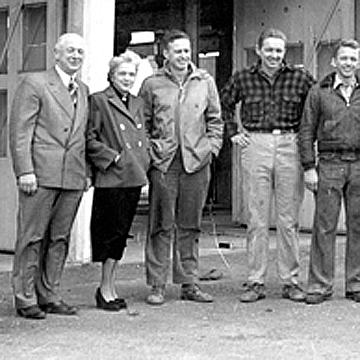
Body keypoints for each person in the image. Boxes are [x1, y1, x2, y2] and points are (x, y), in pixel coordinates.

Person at [221, 28, 315, 303]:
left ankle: (290, 280)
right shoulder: (242, 78)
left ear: (284, 52)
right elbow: (223, 104)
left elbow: (316, 107)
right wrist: (233, 132)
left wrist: (307, 140)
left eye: (279, 50)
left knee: (288, 219)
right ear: (259, 50)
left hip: (290, 145)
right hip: (256, 145)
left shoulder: (300, 78)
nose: (274, 55)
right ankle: (255, 281)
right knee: (257, 218)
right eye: (269, 50)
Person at [139, 29, 223, 305]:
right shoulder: (152, 85)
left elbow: (215, 120)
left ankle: (189, 282)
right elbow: (144, 124)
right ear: (166, 54)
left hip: (196, 162)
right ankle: (157, 284)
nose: (184, 56)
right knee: (161, 225)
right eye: (178, 51)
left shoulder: (204, 81)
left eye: (187, 51)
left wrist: (211, 149)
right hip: (165, 163)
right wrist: (153, 153)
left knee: (190, 225)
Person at [9, 33, 89, 319]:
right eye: (70, 51)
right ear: (56, 54)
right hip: (40, 175)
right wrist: (25, 170)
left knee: (59, 239)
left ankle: (50, 294)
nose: (75, 56)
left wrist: (85, 174)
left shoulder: (83, 89)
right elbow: (20, 132)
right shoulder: (35, 83)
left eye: (80, 51)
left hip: (73, 177)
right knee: (31, 237)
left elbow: (83, 138)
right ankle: (25, 297)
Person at [86, 50, 150, 311]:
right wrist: (113, 158)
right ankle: (104, 288)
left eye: (131, 74)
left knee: (121, 234)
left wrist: (144, 159)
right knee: (109, 233)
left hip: (133, 176)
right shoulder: (99, 101)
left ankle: (110, 287)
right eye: (122, 74)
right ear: (111, 75)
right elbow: (89, 138)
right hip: (112, 176)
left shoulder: (136, 102)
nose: (127, 78)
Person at [299, 39, 360, 305]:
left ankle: (355, 284)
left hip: (359, 164)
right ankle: (319, 285)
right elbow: (306, 131)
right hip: (329, 163)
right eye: (344, 58)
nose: (348, 63)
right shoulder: (319, 92)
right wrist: (309, 167)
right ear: (334, 62)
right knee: (324, 226)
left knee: (358, 226)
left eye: (353, 59)